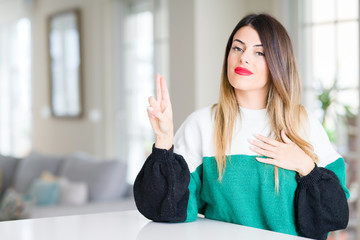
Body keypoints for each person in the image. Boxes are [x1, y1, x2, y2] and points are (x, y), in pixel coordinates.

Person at [133, 13, 349, 240]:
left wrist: (306, 167)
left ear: (277, 62)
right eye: (237, 48)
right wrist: (164, 142)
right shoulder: (202, 124)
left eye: (259, 52)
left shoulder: (303, 124)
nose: (244, 58)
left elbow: (334, 216)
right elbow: (166, 210)